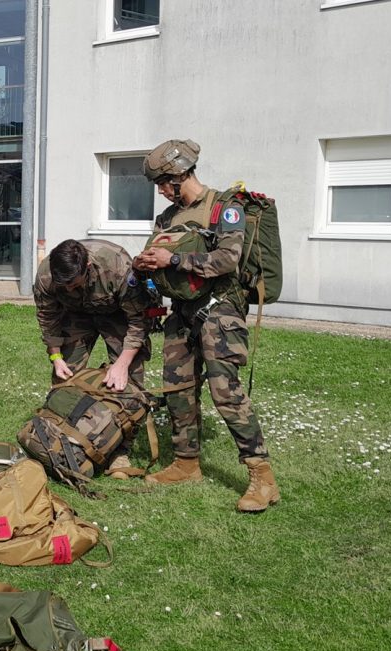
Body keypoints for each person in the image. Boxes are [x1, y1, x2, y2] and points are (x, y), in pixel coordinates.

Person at [133, 139, 279, 512]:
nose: (162, 191)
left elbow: (227, 260)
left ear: (181, 173)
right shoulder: (166, 218)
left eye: (164, 182)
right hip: (180, 313)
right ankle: (186, 463)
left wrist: (173, 260)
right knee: (178, 389)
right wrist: (147, 266)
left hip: (221, 310)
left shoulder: (224, 208)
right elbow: (164, 258)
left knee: (225, 393)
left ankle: (262, 477)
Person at [34, 239, 152, 479]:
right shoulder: (47, 275)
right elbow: (48, 317)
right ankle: (59, 439)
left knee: (127, 383)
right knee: (64, 377)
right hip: (76, 315)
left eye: (73, 284)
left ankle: (119, 451)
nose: (68, 289)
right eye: (63, 285)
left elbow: (138, 320)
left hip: (117, 313)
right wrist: (56, 357)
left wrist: (122, 364)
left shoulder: (117, 266)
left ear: (87, 267)